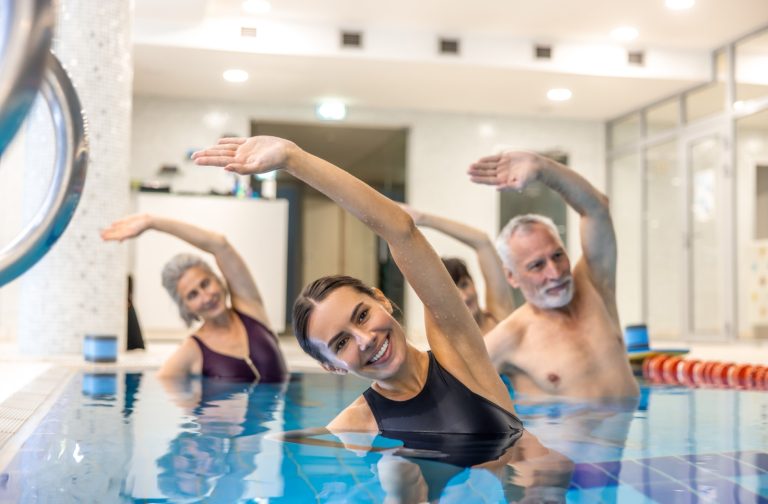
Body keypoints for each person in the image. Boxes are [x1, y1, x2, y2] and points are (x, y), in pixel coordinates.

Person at [193, 136, 572, 500]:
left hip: (530, 492)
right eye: (341, 343)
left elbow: (401, 230)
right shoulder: (352, 426)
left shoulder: (459, 354)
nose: (365, 339)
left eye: (362, 315)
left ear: (382, 300)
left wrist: (294, 159)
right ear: (333, 366)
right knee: (396, 473)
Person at [468, 150, 639, 399]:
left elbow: (597, 209)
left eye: (558, 255)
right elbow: (453, 404)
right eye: (537, 265)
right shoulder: (509, 338)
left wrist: (542, 168)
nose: (555, 272)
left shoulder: (595, 287)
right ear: (512, 277)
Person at [101, 215, 287, 382]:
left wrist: (153, 223)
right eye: (193, 295)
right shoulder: (192, 350)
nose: (206, 297)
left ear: (218, 279)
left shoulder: (250, 307)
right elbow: (162, 388)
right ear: (186, 307)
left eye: (205, 283)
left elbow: (219, 244)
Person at [400, 205, 516, 334]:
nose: (465, 297)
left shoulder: (499, 316)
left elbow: (482, 241)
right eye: (454, 294)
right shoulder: (453, 342)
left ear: (473, 282)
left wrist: (423, 218)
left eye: (464, 285)